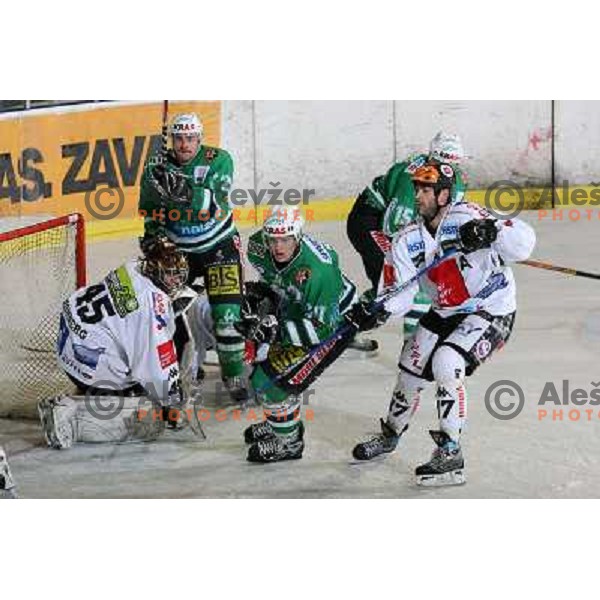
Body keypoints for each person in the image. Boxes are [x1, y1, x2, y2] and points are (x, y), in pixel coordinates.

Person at [346, 159, 536, 486]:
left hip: (490, 309)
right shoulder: (406, 240)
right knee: (409, 366)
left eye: (426, 189)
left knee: (447, 362)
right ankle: (390, 434)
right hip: (446, 311)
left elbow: (524, 241)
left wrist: (491, 231)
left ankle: (450, 451)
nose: (417, 195)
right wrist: (377, 310)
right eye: (416, 188)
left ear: (445, 196)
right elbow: (400, 293)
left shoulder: (468, 216)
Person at [38, 236, 193, 449]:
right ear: (155, 271)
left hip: (71, 339)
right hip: (90, 361)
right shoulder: (150, 309)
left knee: (130, 354)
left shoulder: (133, 267)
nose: (176, 282)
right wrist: (172, 401)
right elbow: (155, 369)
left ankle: (94, 390)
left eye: (178, 276)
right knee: (147, 416)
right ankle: (69, 414)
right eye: (170, 276)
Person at [138, 112, 247, 401]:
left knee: (227, 317)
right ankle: (183, 371)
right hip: (179, 251)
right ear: (171, 139)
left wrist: (180, 188)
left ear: (200, 138)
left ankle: (234, 373)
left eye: (190, 138)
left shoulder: (218, 160)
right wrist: (154, 237)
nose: (185, 144)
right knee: (166, 314)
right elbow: (150, 210)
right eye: (179, 138)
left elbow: (214, 205)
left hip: (218, 245)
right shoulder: (155, 167)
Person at [239, 210, 358, 463]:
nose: (278, 247)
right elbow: (274, 283)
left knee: (270, 383)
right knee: (262, 368)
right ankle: (280, 423)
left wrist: (276, 331)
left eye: (286, 240)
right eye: (273, 239)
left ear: (298, 237)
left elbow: (322, 329)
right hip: (299, 309)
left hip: (335, 324)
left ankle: (289, 443)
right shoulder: (258, 247)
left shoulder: (319, 273)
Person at [347, 132, 467, 336]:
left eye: (452, 166)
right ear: (430, 158)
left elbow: (449, 217)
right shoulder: (409, 179)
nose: (447, 172)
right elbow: (392, 228)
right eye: (440, 164)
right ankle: (413, 353)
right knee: (401, 286)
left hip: (398, 228)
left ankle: (347, 326)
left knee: (393, 288)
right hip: (369, 222)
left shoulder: (455, 181)